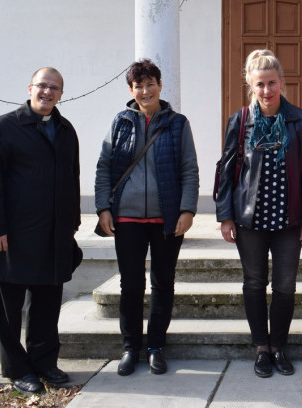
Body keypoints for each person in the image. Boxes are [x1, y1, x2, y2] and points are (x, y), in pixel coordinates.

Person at [94, 59, 199, 377]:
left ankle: (155, 347)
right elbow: (104, 166)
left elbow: (189, 169)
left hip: (167, 218)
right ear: (131, 90)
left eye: (150, 84)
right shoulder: (120, 122)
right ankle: (130, 348)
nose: (145, 91)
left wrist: (187, 210)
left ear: (160, 85)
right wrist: (103, 209)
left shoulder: (178, 123)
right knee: (131, 285)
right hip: (127, 218)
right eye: (138, 86)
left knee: (163, 283)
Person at [216, 49, 302, 378]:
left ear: (282, 82)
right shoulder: (240, 120)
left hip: (289, 219)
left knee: (285, 285)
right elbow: (226, 170)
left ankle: (279, 346)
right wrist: (225, 215)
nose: (266, 90)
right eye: (260, 84)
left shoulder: (300, 120)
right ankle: (262, 347)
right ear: (250, 84)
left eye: (272, 83)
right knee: (255, 282)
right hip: (250, 219)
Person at [0, 67, 81, 395]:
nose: (47, 92)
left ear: (61, 94)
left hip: (54, 233)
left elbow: (72, 178)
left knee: (47, 304)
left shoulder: (65, 130)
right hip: (13, 234)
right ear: (30, 88)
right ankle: (17, 369)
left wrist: (72, 223)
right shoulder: (3, 127)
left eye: (54, 88)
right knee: (10, 309)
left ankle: (44, 362)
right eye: (42, 85)